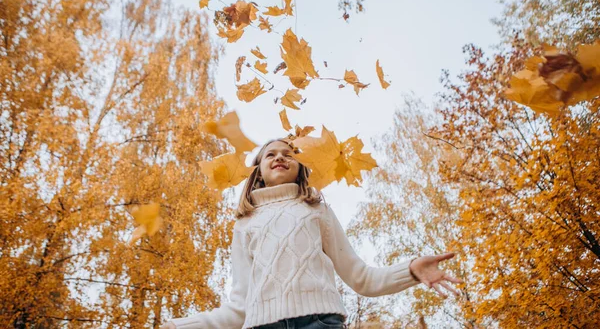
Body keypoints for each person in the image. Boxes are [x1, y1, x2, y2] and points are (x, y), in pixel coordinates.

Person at [161, 139, 463, 329]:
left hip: (321, 323)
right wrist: (185, 325)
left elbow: (362, 277)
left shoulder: (316, 210)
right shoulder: (246, 224)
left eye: (288, 154)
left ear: (300, 168)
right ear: (258, 173)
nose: (280, 157)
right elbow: (240, 307)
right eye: (271, 154)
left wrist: (410, 270)